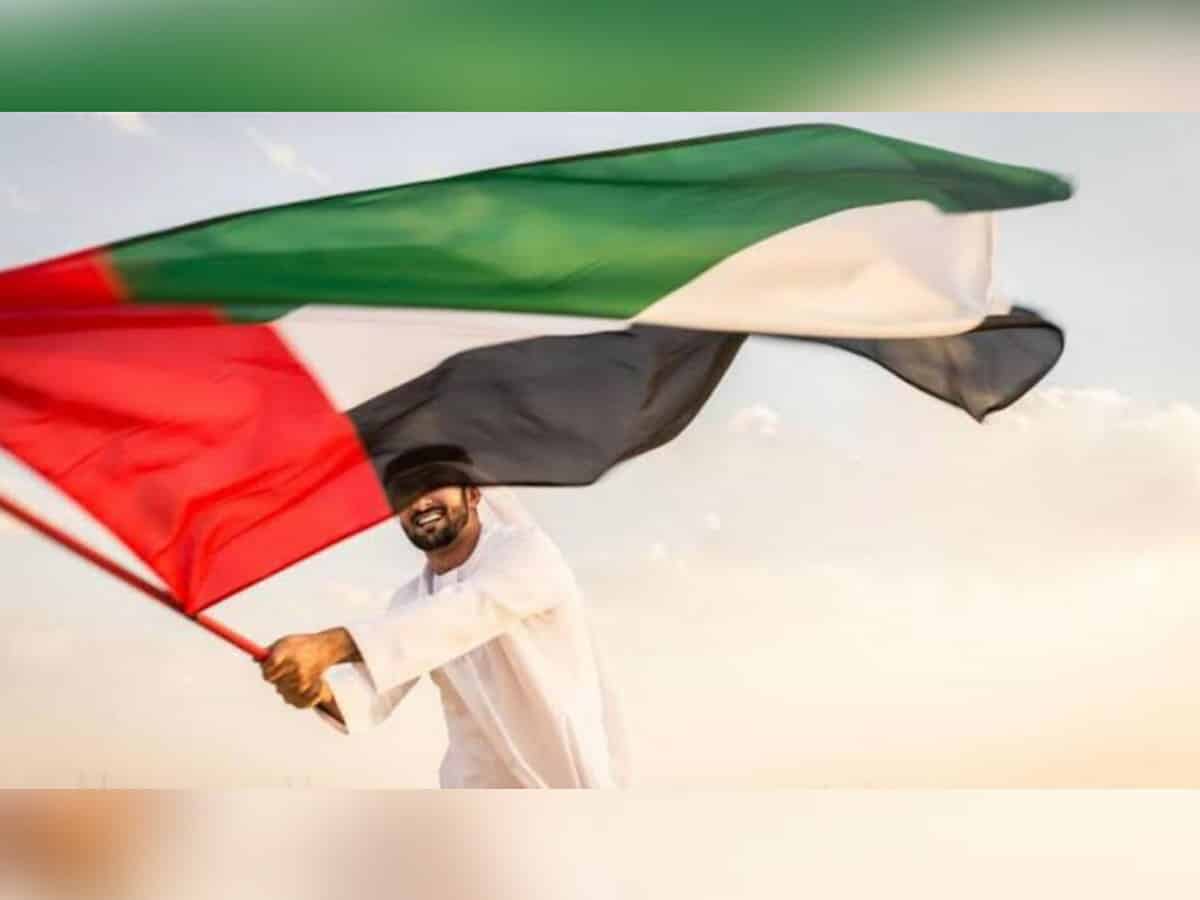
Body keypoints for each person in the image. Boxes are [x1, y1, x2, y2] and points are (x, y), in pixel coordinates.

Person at [260, 480, 630, 789]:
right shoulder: (410, 600)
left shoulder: (529, 553)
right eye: (405, 493)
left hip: (573, 789)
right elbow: (367, 696)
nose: (420, 503)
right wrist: (314, 690)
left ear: (473, 493)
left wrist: (329, 645)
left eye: (434, 484)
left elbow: (459, 614)